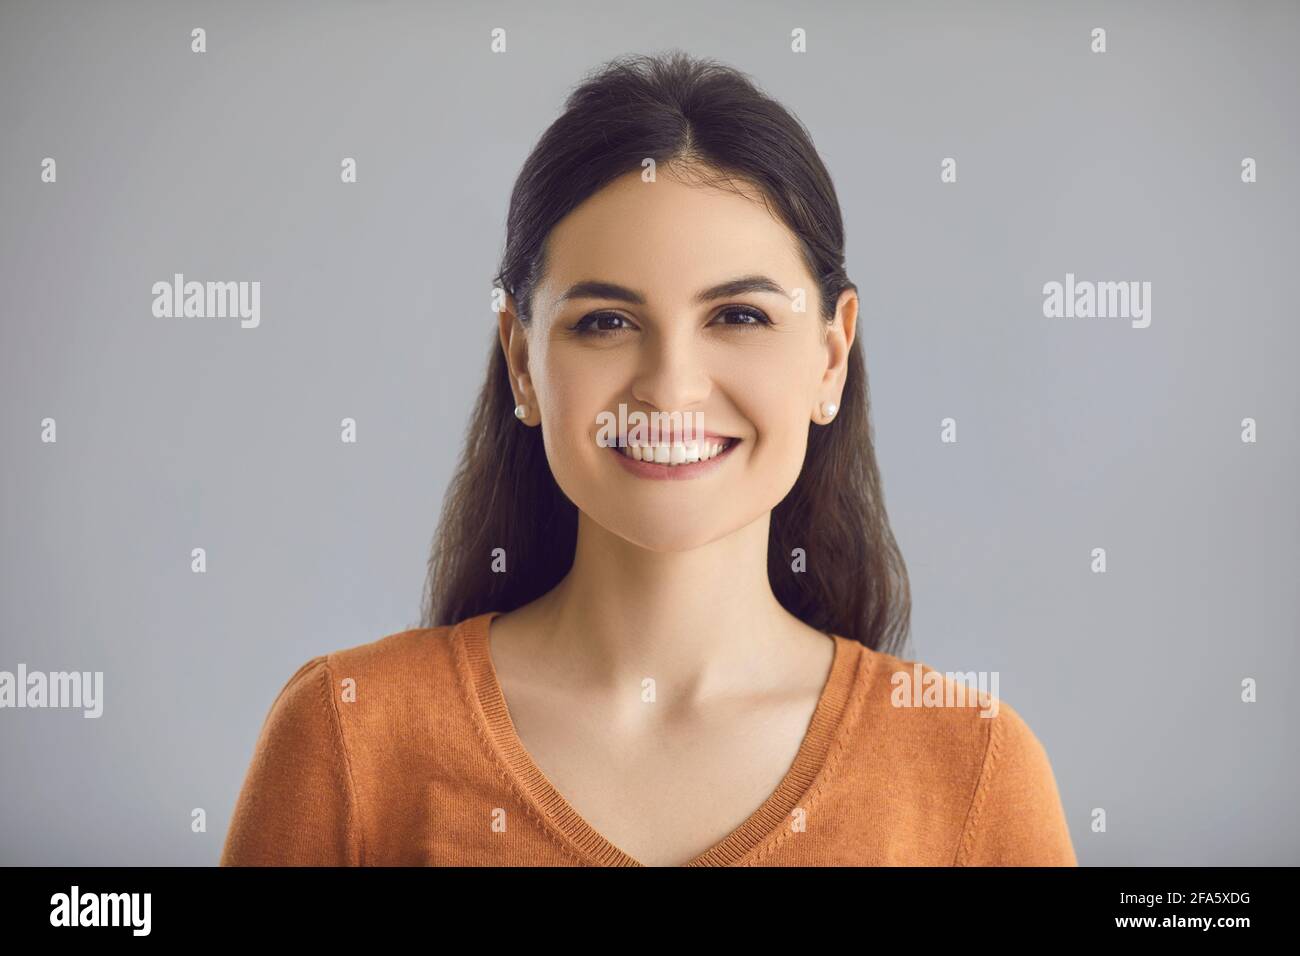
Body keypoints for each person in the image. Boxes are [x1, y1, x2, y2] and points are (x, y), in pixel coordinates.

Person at [220, 51, 1076, 867]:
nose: (671, 390)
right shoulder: (346, 736)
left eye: (738, 316)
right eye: (606, 321)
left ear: (830, 357)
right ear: (522, 361)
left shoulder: (973, 770)